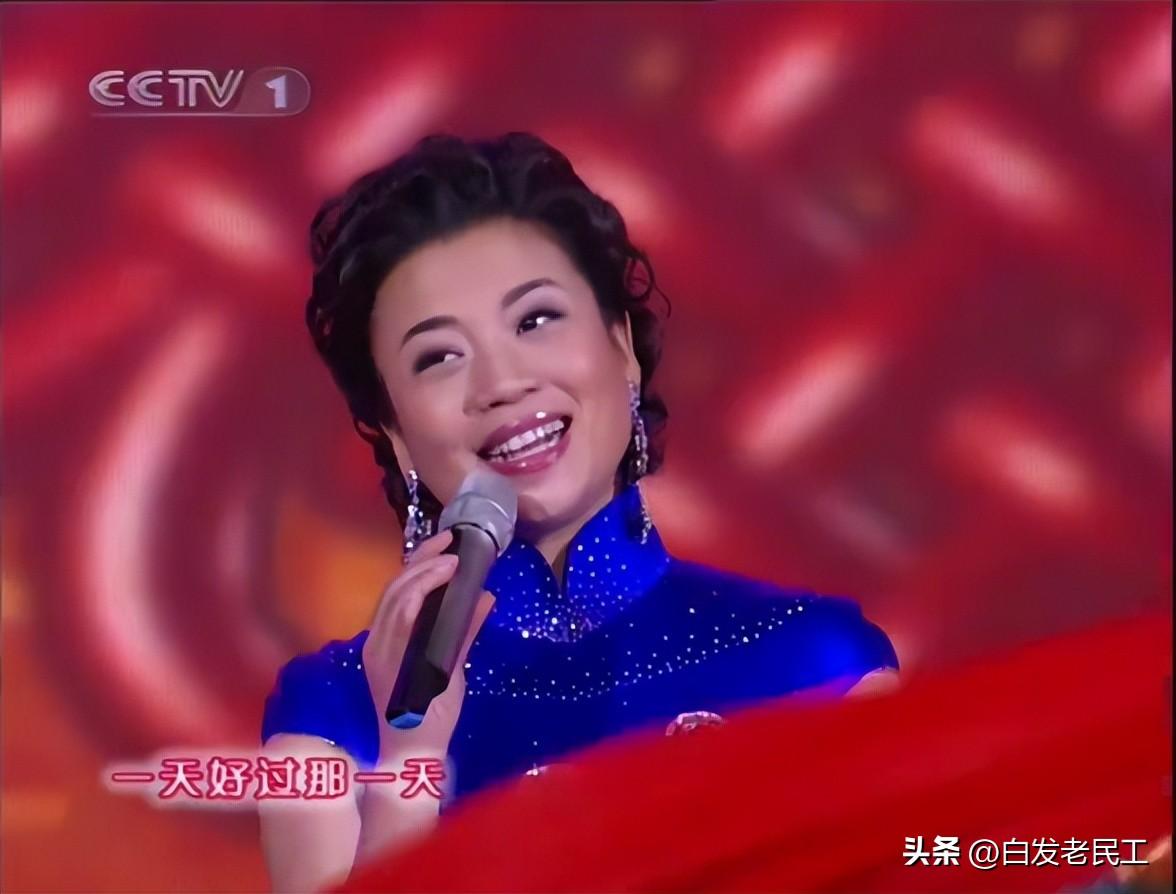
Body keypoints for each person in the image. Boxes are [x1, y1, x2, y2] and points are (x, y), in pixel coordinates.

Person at [258, 131, 900, 893]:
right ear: (395, 433)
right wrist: (410, 762)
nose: (502, 382)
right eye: (438, 357)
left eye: (535, 320)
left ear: (621, 347)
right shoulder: (332, 713)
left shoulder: (817, 662)